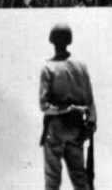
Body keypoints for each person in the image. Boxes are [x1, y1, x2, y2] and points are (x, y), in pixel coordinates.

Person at [39, 23, 97, 190]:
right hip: (76, 128)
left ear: (52, 41)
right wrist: (91, 125)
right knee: (80, 178)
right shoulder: (81, 67)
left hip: (55, 128)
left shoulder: (48, 68)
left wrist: (65, 109)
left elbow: (44, 106)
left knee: (52, 180)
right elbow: (90, 100)